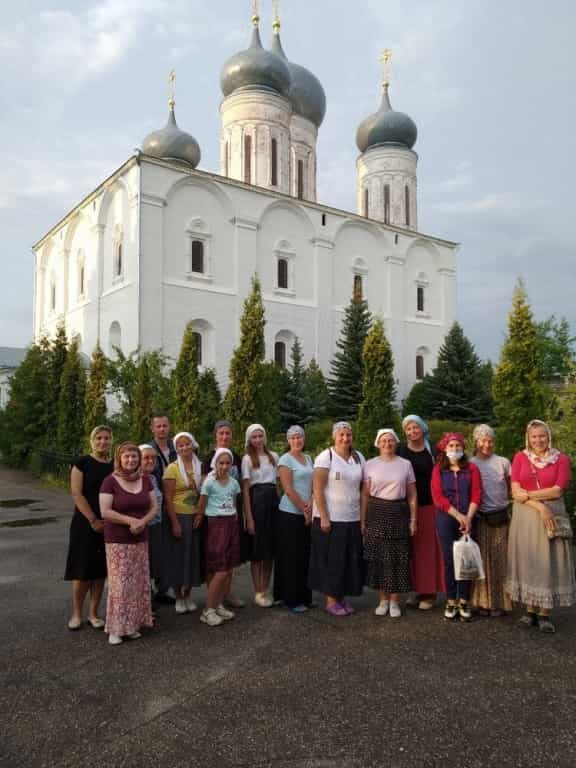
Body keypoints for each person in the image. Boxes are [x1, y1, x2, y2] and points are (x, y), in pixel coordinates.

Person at [505, 420, 575, 633]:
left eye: (542, 436)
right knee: (529, 561)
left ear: (549, 436)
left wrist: (527, 495)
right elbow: (514, 490)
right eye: (534, 436)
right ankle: (530, 611)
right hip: (527, 517)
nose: (538, 440)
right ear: (528, 438)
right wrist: (541, 507)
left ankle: (544, 614)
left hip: (552, 516)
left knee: (549, 561)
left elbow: (557, 490)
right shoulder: (520, 457)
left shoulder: (561, 459)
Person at [99, 443, 157, 645]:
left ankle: (131, 626)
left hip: (140, 539)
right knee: (120, 585)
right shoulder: (109, 481)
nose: (131, 460)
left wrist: (142, 522)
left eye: (134, 456)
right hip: (118, 541)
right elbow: (105, 511)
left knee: (138, 584)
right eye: (127, 457)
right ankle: (116, 629)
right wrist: (131, 521)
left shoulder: (146, 479)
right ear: (119, 459)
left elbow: (154, 507)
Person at [309, 422, 365, 616]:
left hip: (352, 517)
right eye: (341, 434)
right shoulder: (326, 457)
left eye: (348, 435)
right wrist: (324, 516)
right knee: (332, 560)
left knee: (347, 559)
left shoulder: (358, 457)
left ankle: (341, 597)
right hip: (331, 518)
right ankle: (331, 601)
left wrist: (362, 518)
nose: (345, 438)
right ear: (334, 436)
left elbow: (362, 488)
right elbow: (317, 489)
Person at [361, 429, 417, 618]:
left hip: (398, 512)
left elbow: (412, 494)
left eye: (390, 440)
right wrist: (363, 520)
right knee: (379, 559)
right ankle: (383, 600)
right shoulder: (369, 464)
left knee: (397, 559)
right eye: (383, 440)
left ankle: (394, 601)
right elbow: (364, 495)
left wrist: (413, 519)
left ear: (396, 442)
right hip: (376, 512)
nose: (387, 443)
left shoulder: (405, 464)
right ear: (378, 443)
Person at [64, 425, 113, 631]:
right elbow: (76, 493)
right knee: (82, 569)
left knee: (100, 570)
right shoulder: (82, 463)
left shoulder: (114, 465)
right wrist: (93, 520)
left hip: (108, 523)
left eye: (106, 438)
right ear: (92, 440)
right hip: (85, 522)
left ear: (111, 441)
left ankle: (93, 613)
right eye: (99, 438)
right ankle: (76, 613)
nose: (103, 441)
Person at [431, 432, 482, 622]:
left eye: (457, 445)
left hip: (468, 517)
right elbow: (438, 497)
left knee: (465, 559)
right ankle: (451, 600)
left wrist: (468, 517)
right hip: (446, 518)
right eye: (451, 446)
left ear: (463, 448)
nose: (454, 449)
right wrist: (458, 516)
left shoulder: (472, 469)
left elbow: (476, 493)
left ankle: (464, 601)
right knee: (449, 561)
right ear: (445, 449)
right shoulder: (438, 469)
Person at [398, 415, 444, 610]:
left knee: (427, 551)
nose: (412, 431)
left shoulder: (433, 450)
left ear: (423, 428)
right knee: (412, 552)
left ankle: (429, 593)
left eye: (415, 427)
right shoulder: (400, 449)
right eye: (408, 428)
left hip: (428, 506)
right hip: (404, 507)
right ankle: (417, 590)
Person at [202, 420, 246, 609]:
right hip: (215, 517)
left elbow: (238, 486)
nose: (225, 436)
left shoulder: (237, 457)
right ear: (216, 435)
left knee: (230, 557)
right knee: (216, 560)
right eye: (221, 433)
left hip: (232, 512)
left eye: (228, 433)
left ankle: (226, 594)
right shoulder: (208, 458)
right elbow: (204, 489)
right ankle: (214, 599)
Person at [469, 425, 512, 617]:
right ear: (476, 442)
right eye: (483, 440)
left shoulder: (503, 462)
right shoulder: (470, 463)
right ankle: (481, 602)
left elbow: (511, 488)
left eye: (490, 440)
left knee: (499, 560)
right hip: (479, 518)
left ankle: (499, 602)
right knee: (481, 561)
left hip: (500, 517)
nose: (486, 444)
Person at [197, 448, 242, 627]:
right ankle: (208, 610)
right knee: (220, 569)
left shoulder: (234, 483)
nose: (224, 466)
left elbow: (233, 504)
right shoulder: (209, 482)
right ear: (214, 464)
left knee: (228, 568)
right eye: (221, 463)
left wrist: (235, 520)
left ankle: (217, 604)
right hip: (216, 525)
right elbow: (202, 505)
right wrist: (199, 519)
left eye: (227, 463)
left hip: (231, 524)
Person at [162, 432, 205, 614]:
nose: (184, 447)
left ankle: (188, 594)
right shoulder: (172, 469)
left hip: (196, 517)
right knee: (178, 557)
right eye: (180, 445)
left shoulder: (200, 466)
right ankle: (178, 596)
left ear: (192, 445)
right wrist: (175, 523)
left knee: (193, 556)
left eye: (187, 444)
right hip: (179, 516)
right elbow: (168, 498)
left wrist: (200, 513)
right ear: (176, 448)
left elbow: (204, 492)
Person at [274, 425, 314, 613]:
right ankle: (290, 599)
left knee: (304, 556)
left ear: (304, 439)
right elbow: (288, 489)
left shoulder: (309, 458)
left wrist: (311, 504)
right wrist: (304, 509)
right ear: (288, 441)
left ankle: (305, 596)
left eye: (299, 437)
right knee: (291, 557)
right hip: (290, 513)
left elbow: (313, 486)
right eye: (293, 438)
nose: (297, 440)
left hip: (307, 512)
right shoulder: (285, 459)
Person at [242, 424, 279, 607]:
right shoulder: (247, 459)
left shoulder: (274, 457)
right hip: (257, 503)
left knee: (270, 550)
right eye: (254, 437)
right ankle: (258, 591)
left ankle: (265, 588)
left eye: (260, 436)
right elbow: (246, 489)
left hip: (273, 503)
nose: (258, 440)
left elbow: (278, 484)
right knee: (257, 550)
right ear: (249, 439)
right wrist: (249, 517)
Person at [149, 414, 177, 604]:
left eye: (164, 425)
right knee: (155, 547)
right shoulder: (148, 449)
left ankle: (165, 588)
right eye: (158, 426)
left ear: (169, 426)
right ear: (152, 428)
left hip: (175, 502)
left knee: (170, 547)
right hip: (156, 504)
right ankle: (150, 589)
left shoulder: (177, 447)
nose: (162, 429)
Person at [140, 444, 164, 594]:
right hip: (141, 528)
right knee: (141, 565)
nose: (150, 461)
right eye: (146, 458)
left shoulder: (153, 478)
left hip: (155, 526)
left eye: (153, 458)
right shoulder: (134, 479)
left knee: (152, 564)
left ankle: (149, 598)